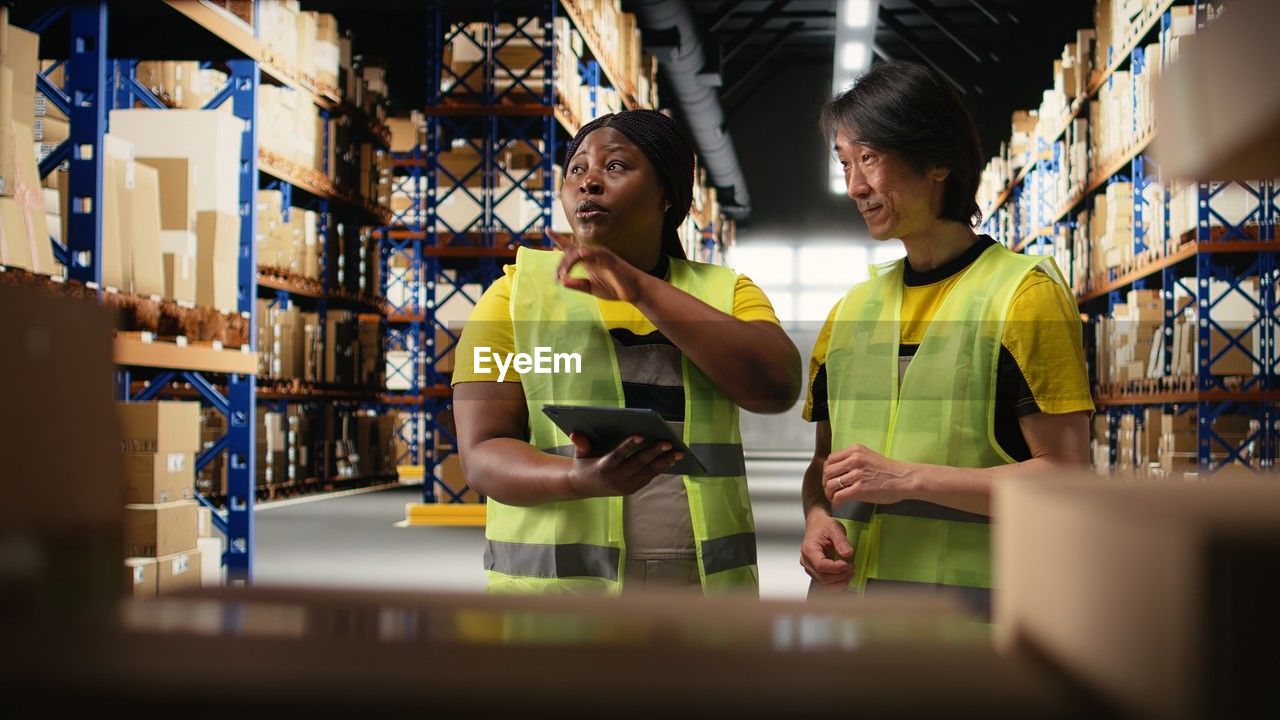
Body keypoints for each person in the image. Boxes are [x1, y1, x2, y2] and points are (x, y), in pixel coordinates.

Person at [453, 109, 801, 595]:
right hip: (558, 604)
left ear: (666, 195)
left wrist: (640, 288)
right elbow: (482, 454)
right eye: (577, 169)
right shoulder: (513, 298)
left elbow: (776, 386)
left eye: (615, 167)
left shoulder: (726, 293)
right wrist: (577, 479)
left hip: (699, 596)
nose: (588, 183)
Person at [798, 61, 1093, 618]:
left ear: (937, 161)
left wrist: (908, 478)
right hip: (852, 622)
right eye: (845, 162)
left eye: (870, 158)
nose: (855, 186)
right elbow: (824, 467)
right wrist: (817, 516)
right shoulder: (851, 312)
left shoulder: (1022, 296)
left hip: (973, 627)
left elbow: (1068, 478)